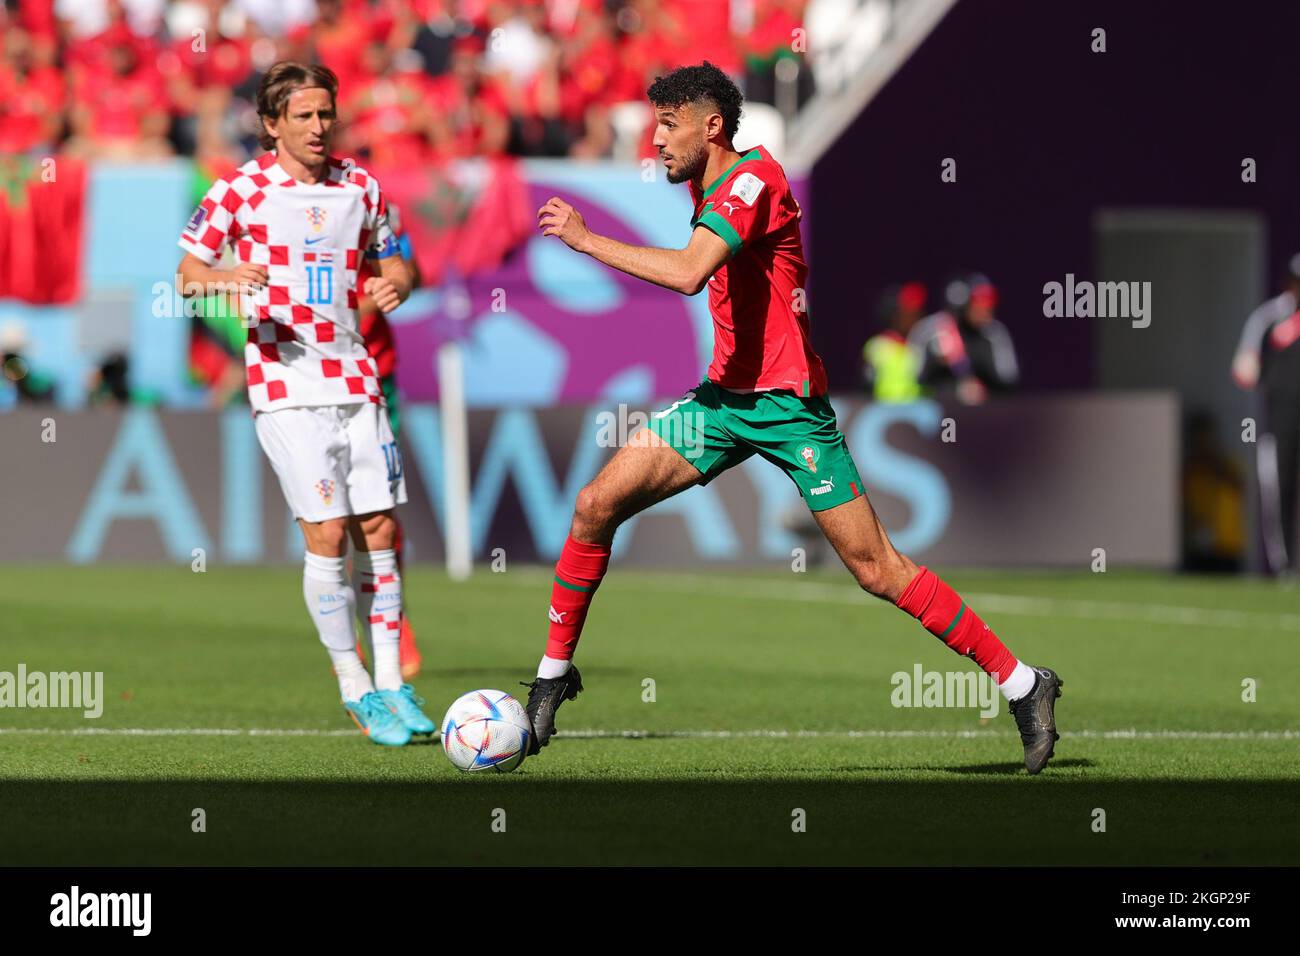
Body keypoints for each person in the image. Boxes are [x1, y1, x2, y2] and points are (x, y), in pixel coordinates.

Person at [526, 62, 1063, 774]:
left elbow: (690, 273)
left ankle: (1025, 684)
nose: (654, 139)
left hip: (787, 406)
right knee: (596, 504)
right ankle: (553, 674)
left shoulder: (753, 180)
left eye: (667, 124)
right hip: (721, 403)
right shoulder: (705, 182)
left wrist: (588, 240)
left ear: (711, 126)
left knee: (878, 570)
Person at [175, 61, 435, 746]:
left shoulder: (361, 185)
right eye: (303, 116)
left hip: (355, 375)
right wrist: (227, 275)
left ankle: (393, 684)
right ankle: (354, 686)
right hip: (286, 383)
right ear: (271, 124)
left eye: (326, 114)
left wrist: (396, 285)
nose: (319, 127)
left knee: (378, 530)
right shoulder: (242, 189)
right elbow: (187, 275)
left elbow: (399, 259)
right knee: (325, 533)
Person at [1232, 254, 1300, 575]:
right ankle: (1286, 569)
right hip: (1281, 423)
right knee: (1280, 489)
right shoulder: (1270, 318)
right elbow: (1244, 369)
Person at [909, 273, 1018, 405]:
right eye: (978, 303)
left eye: (988, 303)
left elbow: (1008, 379)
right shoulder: (930, 331)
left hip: (985, 412)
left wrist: (975, 366)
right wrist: (938, 363)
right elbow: (912, 380)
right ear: (961, 304)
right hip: (935, 410)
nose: (986, 309)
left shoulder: (994, 333)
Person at [862, 281, 925, 402]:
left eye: (917, 313)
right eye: (908, 314)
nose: (915, 318)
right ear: (894, 316)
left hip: (918, 411)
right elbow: (866, 385)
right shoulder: (877, 346)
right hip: (886, 412)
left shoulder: (922, 344)